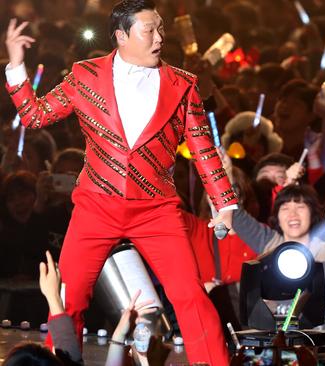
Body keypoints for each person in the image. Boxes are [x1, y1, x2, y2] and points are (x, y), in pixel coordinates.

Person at [4, 1, 238, 363]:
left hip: (156, 209)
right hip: (96, 206)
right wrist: (16, 65)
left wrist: (225, 205)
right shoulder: (85, 76)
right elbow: (35, 116)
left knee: (190, 295)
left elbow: (204, 150)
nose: (160, 38)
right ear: (121, 36)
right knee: (70, 297)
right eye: (149, 30)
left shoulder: (183, 86)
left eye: (161, 29)